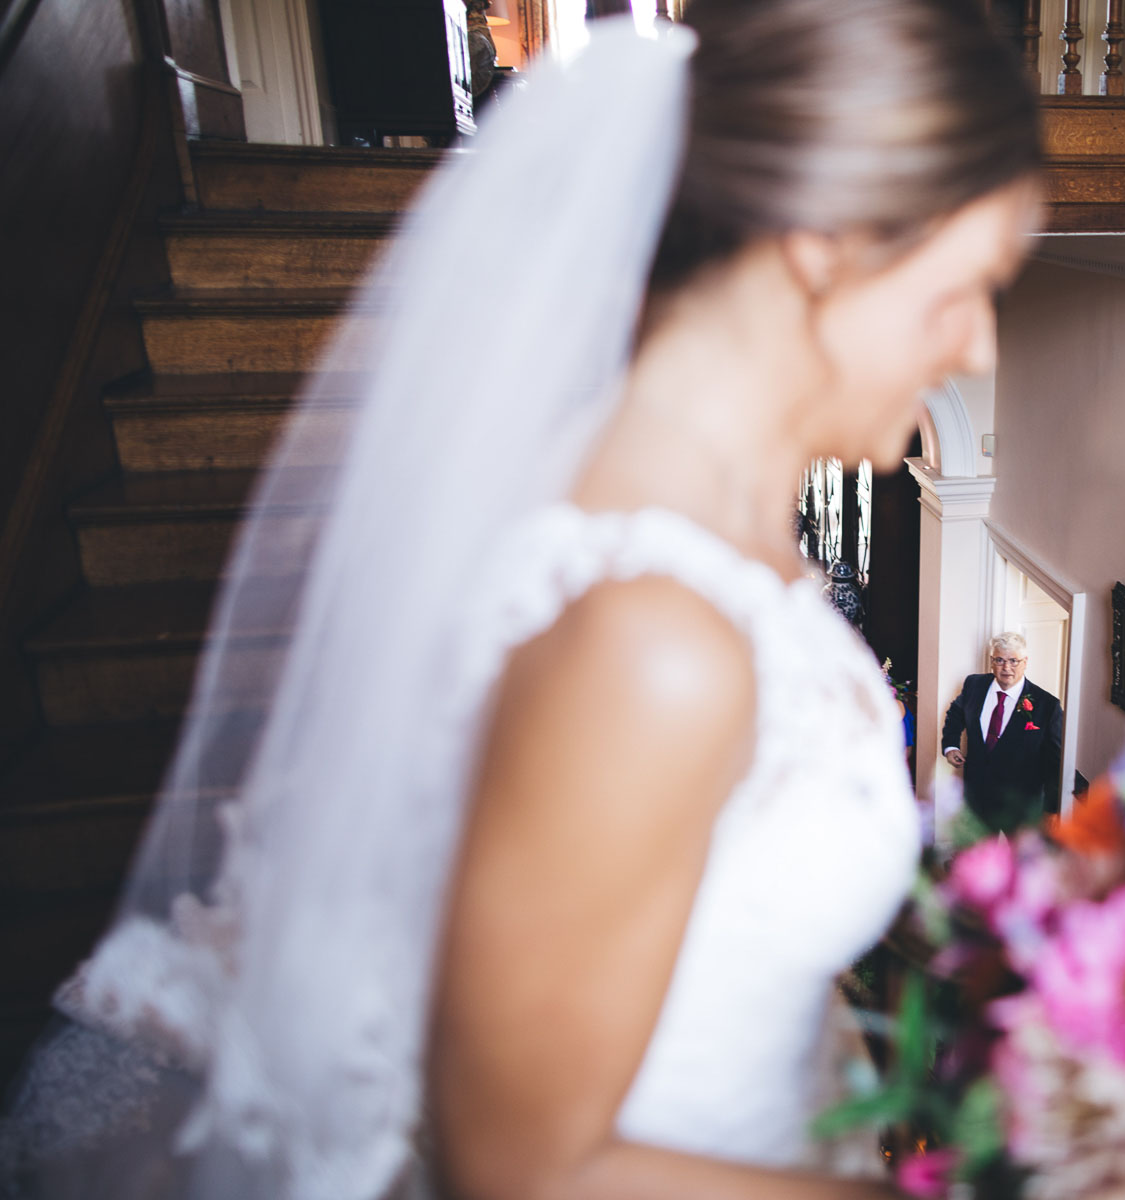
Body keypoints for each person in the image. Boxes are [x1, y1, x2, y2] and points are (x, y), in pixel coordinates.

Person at [0, 3, 1039, 1198]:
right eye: (966, 285)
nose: (975, 346)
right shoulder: (651, 634)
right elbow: (529, 1172)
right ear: (826, 242)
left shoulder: (712, 530)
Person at [941, 632, 1065, 832]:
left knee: (1019, 862)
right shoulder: (974, 684)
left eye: (1013, 661)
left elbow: (1055, 763)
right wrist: (951, 745)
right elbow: (956, 713)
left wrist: (1051, 809)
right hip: (976, 798)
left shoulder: (1047, 705)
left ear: (1025, 662)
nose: (1006, 667)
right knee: (976, 857)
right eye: (1000, 660)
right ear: (992, 661)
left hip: (1019, 806)